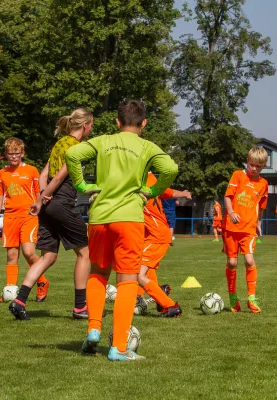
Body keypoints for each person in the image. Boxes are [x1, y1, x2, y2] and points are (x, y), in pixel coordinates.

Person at [66, 99, 177, 361]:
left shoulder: (103, 141)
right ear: (144, 123)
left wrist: (82, 186)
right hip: (129, 220)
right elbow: (170, 169)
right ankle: (118, 347)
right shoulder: (147, 146)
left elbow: (72, 154)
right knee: (127, 282)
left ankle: (93, 329)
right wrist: (152, 191)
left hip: (99, 218)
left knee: (98, 274)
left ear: (117, 122)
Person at [9, 109, 92, 319]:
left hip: (48, 206)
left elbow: (43, 175)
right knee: (85, 253)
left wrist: (40, 201)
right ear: (85, 125)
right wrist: (48, 195)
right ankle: (80, 307)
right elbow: (57, 178)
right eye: (91, 126)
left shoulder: (59, 144)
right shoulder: (77, 147)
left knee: (48, 256)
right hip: (61, 201)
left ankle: (19, 300)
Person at [0, 138, 49, 303]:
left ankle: (42, 281)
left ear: (22, 153)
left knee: (29, 252)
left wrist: (39, 207)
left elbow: (39, 193)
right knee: (11, 255)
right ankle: (10, 290)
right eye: (10, 153)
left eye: (17, 153)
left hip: (28, 216)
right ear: (6, 154)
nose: (14, 156)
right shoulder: (3, 173)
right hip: (9, 217)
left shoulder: (31, 170)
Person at [137, 171, 191, 317]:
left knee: (137, 273)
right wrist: (184, 193)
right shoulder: (151, 178)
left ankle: (170, 305)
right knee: (142, 267)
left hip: (157, 236)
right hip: (154, 234)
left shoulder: (136, 181)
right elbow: (169, 192)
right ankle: (158, 294)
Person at [222, 147, 269, 314]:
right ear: (247, 161)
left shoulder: (263, 184)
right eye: (251, 164)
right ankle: (233, 296)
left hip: (248, 229)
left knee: (249, 260)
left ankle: (251, 298)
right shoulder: (238, 175)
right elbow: (228, 196)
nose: (254, 168)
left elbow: (261, 207)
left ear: (263, 166)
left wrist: (259, 223)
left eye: (258, 166)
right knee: (232, 263)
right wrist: (232, 212)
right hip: (230, 228)